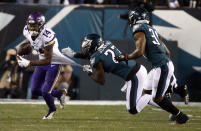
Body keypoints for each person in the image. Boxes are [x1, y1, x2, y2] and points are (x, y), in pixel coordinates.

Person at [115, 7, 189, 124]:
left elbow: (139, 52)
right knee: (147, 90)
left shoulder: (138, 28)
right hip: (161, 65)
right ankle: (177, 89)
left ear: (135, 18)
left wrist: (126, 57)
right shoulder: (151, 29)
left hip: (161, 66)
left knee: (158, 98)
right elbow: (167, 51)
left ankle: (180, 116)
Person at [63, 33, 153, 116]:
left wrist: (89, 72)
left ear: (93, 45)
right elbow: (93, 55)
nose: (85, 48)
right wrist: (74, 55)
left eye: (87, 45)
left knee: (132, 109)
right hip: (137, 70)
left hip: (135, 76)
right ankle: (164, 104)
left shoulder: (96, 58)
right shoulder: (107, 43)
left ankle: (154, 95)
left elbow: (101, 81)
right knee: (138, 99)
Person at [17, 11, 81, 119]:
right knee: (35, 90)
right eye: (30, 25)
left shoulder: (48, 35)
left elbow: (48, 60)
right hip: (42, 61)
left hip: (53, 63)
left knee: (45, 91)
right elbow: (33, 42)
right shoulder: (26, 30)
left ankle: (52, 110)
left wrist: (29, 63)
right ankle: (60, 94)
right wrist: (27, 46)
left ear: (41, 25)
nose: (32, 28)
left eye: (35, 25)